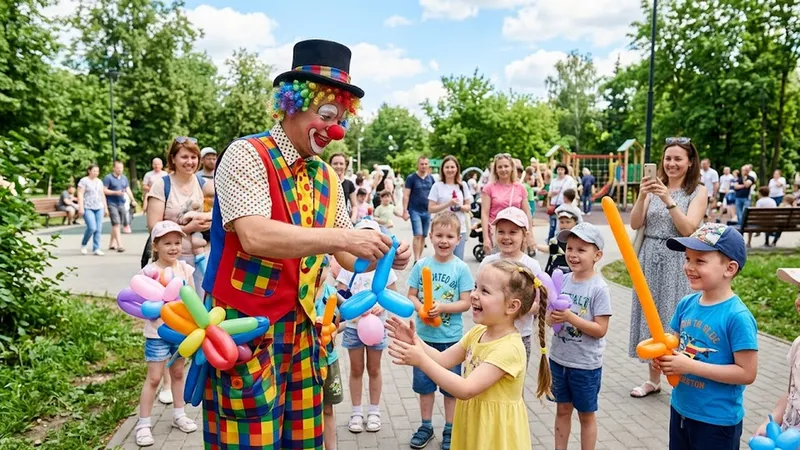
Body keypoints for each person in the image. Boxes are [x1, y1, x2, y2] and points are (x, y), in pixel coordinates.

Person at [200, 40, 411, 449]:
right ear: (292, 104)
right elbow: (255, 235)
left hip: (307, 333)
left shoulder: (327, 177)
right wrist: (344, 237)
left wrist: (382, 254)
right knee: (248, 441)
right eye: (326, 115)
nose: (335, 131)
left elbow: (347, 255)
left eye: (341, 119)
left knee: (305, 441)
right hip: (248, 330)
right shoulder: (246, 154)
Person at [386, 260, 551, 450]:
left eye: (484, 291)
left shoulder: (510, 349)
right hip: (474, 423)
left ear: (512, 306)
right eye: (475, 287)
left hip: (495, 433)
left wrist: (421, 361)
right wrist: (416, 341)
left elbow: (466, 389)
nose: (473, 295)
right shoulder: (478, 332)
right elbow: (443, 359)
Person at [658, 223, 757, 450]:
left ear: (729, 268)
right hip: (681, 409)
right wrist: (666, 358)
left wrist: (688, 366)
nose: (689, 267)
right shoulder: (686, 304)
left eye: (700, 261)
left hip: (717, 421)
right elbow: (676, 348)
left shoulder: (737, 316)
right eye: (687, 259)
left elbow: (747, 373)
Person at [629, 137, 707, 399]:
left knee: (675, 316)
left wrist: (668, 199)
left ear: (690, 162)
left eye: (678, 159)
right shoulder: (652, 188)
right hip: (649, 257)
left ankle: (680, 376)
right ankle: (653, 379)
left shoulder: (697, 191)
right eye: (668, 158)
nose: (671, 163)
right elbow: (635, 223)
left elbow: (688, 229)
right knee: (650, 315)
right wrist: (643, 196)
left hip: (679, 258)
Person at [405, 212, 474, 450]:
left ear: (458, 239)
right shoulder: (422, 265)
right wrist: (422, 310)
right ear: (430, 237)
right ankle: (425, 425)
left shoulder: (461, 268)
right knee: (424, 386)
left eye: (450, 236)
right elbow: (411, 295)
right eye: (439, 235)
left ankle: (450, 427)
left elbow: (466, 302)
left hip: (451, 340)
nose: (444, 241)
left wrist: (442, 307)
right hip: (424, 339)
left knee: (450, 388)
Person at [547, 223, 611, 450]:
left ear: (597, 255)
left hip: (585, 365)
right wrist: (552, 318)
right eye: (570, 248)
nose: (573, 255)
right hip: (559, 359)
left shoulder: (599, 288)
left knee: (586, 414)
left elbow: (600, 329)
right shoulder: (561, 280)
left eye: (581, 250)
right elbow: (549, 317)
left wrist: (570, 318)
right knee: (562, 409)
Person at [134, 221, 198, 447]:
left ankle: (179, 414)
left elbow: (192, 300)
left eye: (177, 243)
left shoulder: (185, 269)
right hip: (157, 333)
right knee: (154, 378)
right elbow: (141, 302)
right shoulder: (148, 273)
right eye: (167, 243)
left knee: (179, 372)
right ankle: (143, 424)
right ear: (156, 246)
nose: (173, 248)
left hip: (179, 332)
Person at [336, 219, 398, 434]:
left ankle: (374, 411)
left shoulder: (385, 268)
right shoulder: (348, 268)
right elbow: (340, 296)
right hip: (354, 327)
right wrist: (355, 307)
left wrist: (380, 306)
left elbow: (392, 293)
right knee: (355, 369)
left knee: (374, 368)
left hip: (376, 328)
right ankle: (355, 412)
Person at [146, 138, 213, 294]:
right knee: (174, 308)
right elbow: (153, 226)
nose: (190, 162)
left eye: (193, 157)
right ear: (173, 159)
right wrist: (188, 228)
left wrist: (208, 218)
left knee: (200, 307)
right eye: (184, 157)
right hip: (171, 260)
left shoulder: (202, 182)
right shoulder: (162, 185)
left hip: (202, 257)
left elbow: (225, 204)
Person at [480, 207, 542, 365]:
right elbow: (478, 296)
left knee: (514, 384)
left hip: (520, 336)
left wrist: (510, 310)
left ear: (524, 236)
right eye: (501, 232)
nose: (506, 237)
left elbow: (539, 305)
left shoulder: (532, 266)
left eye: (513, 232)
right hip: (490, 334)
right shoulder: (488, 263)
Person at [755, 267, 800, 437]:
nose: (798, 301)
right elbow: (791, 392)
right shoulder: (798, 345)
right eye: (799, 292)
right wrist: (771, 421)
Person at [314, 256, 344, 450]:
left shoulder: (331, 293)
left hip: (329, 360)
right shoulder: (300, 294)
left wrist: (333, 329)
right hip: (307, 361)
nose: (317, 273)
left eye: (321, 268)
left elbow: (339, 322)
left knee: (327, 408)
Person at [481, 153, 535, 256]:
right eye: (500, 167)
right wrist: (485, 238)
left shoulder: (520, 187)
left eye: (506, 166)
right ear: (495, 169)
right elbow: (484, 214)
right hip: (497, 232)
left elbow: (527, 212)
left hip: (516, 232)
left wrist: (530, 235)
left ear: (512, 168)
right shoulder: (489, 188)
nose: (503, 169)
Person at [427, 155, 473, 260]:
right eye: (447, 167)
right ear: (442, 169)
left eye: (452, 167)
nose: (450, 170)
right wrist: (448, 204)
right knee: (443, 259)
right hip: (442, 228)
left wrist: (460, 207)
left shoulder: (462, 185)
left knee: (458, 259)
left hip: (459, 227)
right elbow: (431, 208)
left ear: (457, 169)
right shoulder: (437, 186)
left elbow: (468, 206)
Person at [403, 156, 435, 262]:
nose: (424, 166)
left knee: (423, 236)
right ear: (418, 165)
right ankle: (416, 260)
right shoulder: (411, 178)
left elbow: (435, 195)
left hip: (427, 210)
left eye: (426, 164)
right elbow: (406, 195)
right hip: (414, 210)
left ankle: (419, 258)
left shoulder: (431, 178)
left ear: (428, 165)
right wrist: (404, 210)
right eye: (422, 164)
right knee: (418, 234)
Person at [104, 161, 137, 252]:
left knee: (117, 224)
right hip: (111, 203)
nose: (120, 170)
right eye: (118, 168)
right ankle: (119, 245)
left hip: (121, 203)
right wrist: (115, 192)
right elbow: (104, 190)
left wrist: (133, 199)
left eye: (121, 168)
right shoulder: (108, 178)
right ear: (114, 168)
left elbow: (127, 189)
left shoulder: (124, 178)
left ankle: (111, 243)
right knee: (116, 223)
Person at [539, 205, 582, 276]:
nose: (564, 225)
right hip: (555, 271)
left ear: (575, 223)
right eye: (561, 222)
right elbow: (551, 252)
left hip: (571, 272)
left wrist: (536, 246)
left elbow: (550, 249)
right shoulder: (556, 238)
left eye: (568, 222)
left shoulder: (579, 240)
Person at [77, 164, 108, 256]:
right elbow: (80, 194)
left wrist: (105, 208)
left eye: (97, 171)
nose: (96, 173)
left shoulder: (99, 182)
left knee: (98, 228)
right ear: (89, 171)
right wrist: (81, 207)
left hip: (99, 206)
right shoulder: (84, 181)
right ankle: (84, 243)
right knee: (92, 227)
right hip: (88, 206)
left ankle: (96, 248)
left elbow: (102, 194)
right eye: (94, 171)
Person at [547, 163, 577, 242]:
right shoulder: (554, 181)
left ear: (565, 171)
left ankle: (564, 240)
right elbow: (549, 194)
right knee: (553, 225)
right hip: (555, 204)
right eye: (558, 169)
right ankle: (551, 241)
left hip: (565, 205)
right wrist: (553, 193)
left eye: (562, 169)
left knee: (565, 224)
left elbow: (573, 191)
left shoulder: (569, 180)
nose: (560, 171)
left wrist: (574, 202)